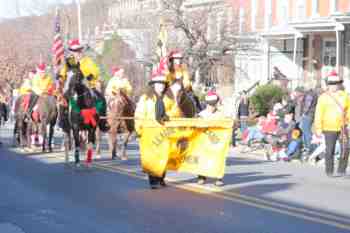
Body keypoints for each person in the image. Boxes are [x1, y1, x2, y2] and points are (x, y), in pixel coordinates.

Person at [134, 68, 182, 189]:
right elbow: (139, 114)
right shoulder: (145, 98)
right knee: (152, 156)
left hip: (164, 132)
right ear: (153, 85)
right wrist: (139, 130)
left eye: (162, 84)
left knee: (164, 155)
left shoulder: (169, 99)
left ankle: (161, 178)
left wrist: (168, 116)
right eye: (158, 84)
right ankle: (153, 180)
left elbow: (176, 111)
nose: (160, 86)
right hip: (149, 132)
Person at [58, 39, 108, 130]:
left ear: (81, 50)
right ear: (71, 52)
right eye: (74, 51)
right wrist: (61, 78)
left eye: (79, 50)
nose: (77, 53)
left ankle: (103, 122)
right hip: (73, 88)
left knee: (101, 99)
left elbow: (96, 72)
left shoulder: (88, 61)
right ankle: (62, 120)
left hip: (88, 86)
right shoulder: (69, 62)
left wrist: (89, 77)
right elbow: (63, 72)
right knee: (62, 100)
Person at [314, 71, 350, 177]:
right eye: (332, 84)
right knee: (330, 149)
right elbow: (318, 113)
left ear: (339, 84)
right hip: (329, 127)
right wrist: (318, 128)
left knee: (346, 147)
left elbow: (348, 110)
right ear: (328, 85)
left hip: (343, 126)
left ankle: (341, 170)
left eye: (336, 83)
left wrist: (348, 122)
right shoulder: (323, 97)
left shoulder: (345, 96)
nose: (334, 86)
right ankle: (329, 170)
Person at [197, 91, 225, 186]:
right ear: (207, 104)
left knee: (218, 159)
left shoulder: (221, 114)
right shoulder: (201, 115)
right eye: (210, 104)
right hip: (204, 141)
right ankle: (201, 176)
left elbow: (226, 126)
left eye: (214, 104)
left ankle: (219, 178)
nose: (212, 106)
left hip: (217, 141)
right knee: (203, 158)